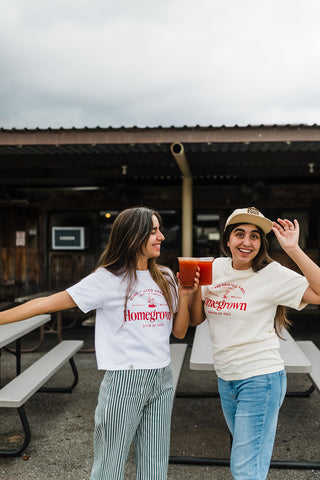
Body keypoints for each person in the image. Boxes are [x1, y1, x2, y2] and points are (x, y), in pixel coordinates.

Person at [0, 206, 197, 480]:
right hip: (124, 380)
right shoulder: (107, 279)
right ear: (132, 235)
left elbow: (178, 332)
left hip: (162, 376)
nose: (161, 236)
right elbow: (44, 304)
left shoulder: (164, 276)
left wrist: (185, 295)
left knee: (155, 460)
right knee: (110, 465)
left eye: (159, 230)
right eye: (153, 231)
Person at [189, 206, 320, 480]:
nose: (246, 242)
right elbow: (195, 319)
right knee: (250, 461)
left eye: (255, 236)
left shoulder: (272, 273)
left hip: (260, 378)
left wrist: (293, 250)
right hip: (226, 377)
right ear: (227, 240)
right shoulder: (212, 268)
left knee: (245, 469)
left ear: (261, 243)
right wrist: (189, 292)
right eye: (239, 234)